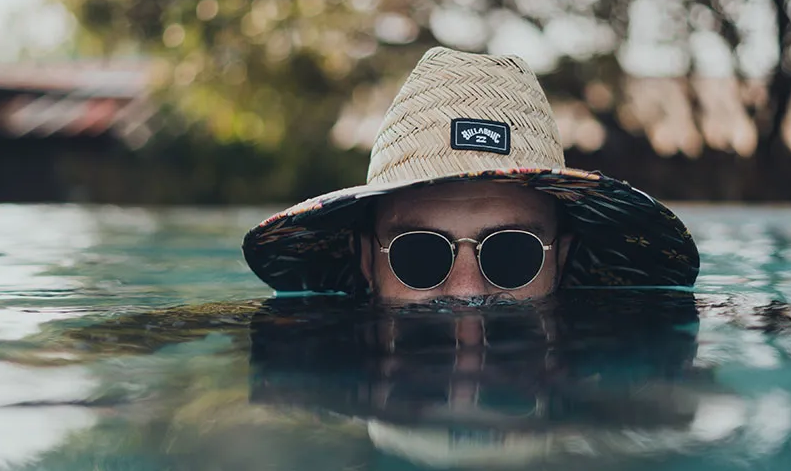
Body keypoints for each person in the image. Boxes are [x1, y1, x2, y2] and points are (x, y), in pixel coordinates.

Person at [242, 46, 700, 302]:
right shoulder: (306, 347)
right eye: (417, 254)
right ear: (366, 259)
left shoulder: (632, 347)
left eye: (512, 252)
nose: (465, 291)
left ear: (560, 259)